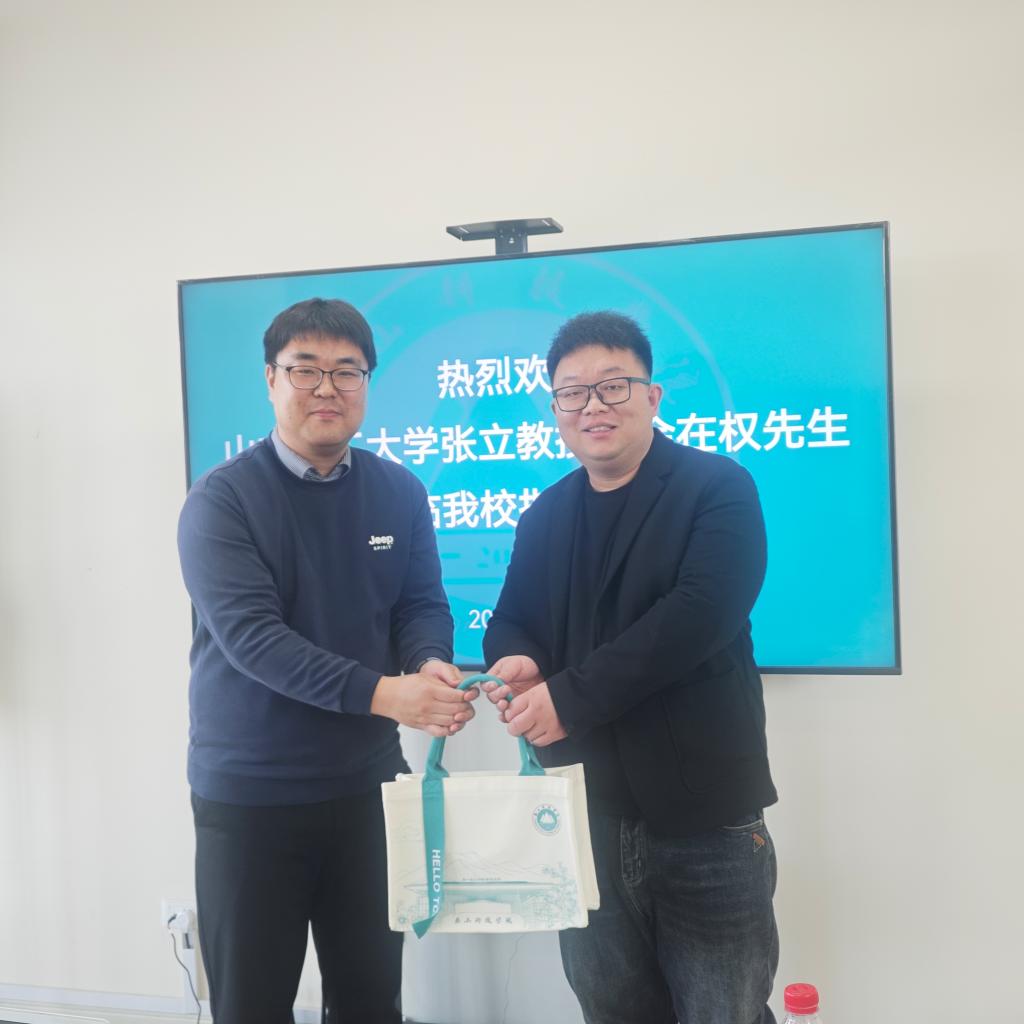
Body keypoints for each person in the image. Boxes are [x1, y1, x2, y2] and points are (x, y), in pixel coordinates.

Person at [177, 297, 476, 1024]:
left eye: (347, 371)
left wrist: (429, 662)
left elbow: (420, 605)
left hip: (367, 787)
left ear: (366, 383)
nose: (327, 388)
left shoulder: (398, 490)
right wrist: (387, 694)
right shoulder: (222, 501)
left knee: (372, 999)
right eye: (305, 369)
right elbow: (254, 639)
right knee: (251, 1005)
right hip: (251, 797)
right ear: (271, 380)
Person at [482, 311, 779, 1024]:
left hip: (705, 814)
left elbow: (699, 615)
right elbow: (512, 620)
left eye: (613, 386)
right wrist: (517, 662)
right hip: (585, 815)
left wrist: (569, 698)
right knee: (611, 1009)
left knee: (726, 1010)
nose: (593, 406)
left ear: (651, 396)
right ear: (555, 408)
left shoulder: (717, 487)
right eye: (573, 392)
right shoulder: (546, 515)